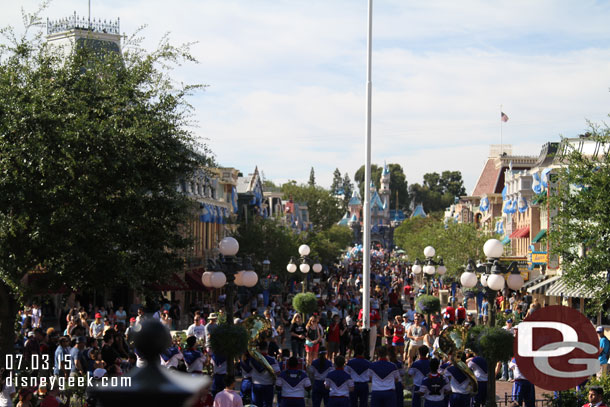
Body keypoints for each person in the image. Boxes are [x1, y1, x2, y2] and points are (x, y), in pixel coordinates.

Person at [249, 341, 280, 407]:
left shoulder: (253, 359)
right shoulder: (272, 360)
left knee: (256, 405)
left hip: (256, 385)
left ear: (258, 348)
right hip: (268, 385)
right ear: (267, 348)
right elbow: (278, 372)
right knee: (267, 405)